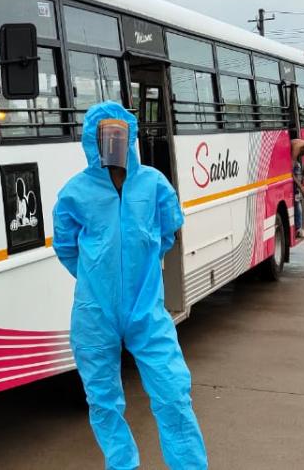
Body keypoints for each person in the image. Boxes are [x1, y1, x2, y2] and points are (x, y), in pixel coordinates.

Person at [53, 101, 207, 470]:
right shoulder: (75, 192)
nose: (113, 143)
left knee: (173, 393)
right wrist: (97, 277)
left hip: (146, 310)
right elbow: (66, 246)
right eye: (105, 136)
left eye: (119, 135)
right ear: (92, 140)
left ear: (131, 137)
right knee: (102, 399)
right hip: (95, 312)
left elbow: (168, 230)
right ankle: (121, 464)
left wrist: (143, 265)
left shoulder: (153, 183)